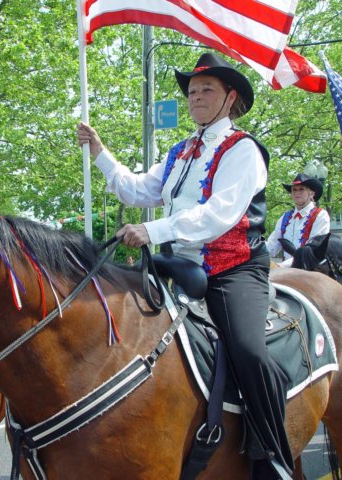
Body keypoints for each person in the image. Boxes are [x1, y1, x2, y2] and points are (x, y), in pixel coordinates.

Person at [77, 52, 292, 479]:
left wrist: (153, 231)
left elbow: (219, 213)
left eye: (206, 89)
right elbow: (138, 191)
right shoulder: (180, 151)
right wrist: (100, 153)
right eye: (192, 91)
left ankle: (272, 456)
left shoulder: (244, 150)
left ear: (231, 97)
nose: (195, 96)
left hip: (233, 268)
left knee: (248, 349)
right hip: (178, 263)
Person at [267, 173, 331, 267]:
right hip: (286, 271)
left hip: (311, 270)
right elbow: (271, 246)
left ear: (312, 194)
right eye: (294, 190)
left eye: (301, 189)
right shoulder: (285, 218)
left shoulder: (320, 215)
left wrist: (282, 266)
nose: (297, 192)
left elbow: (312, 250)